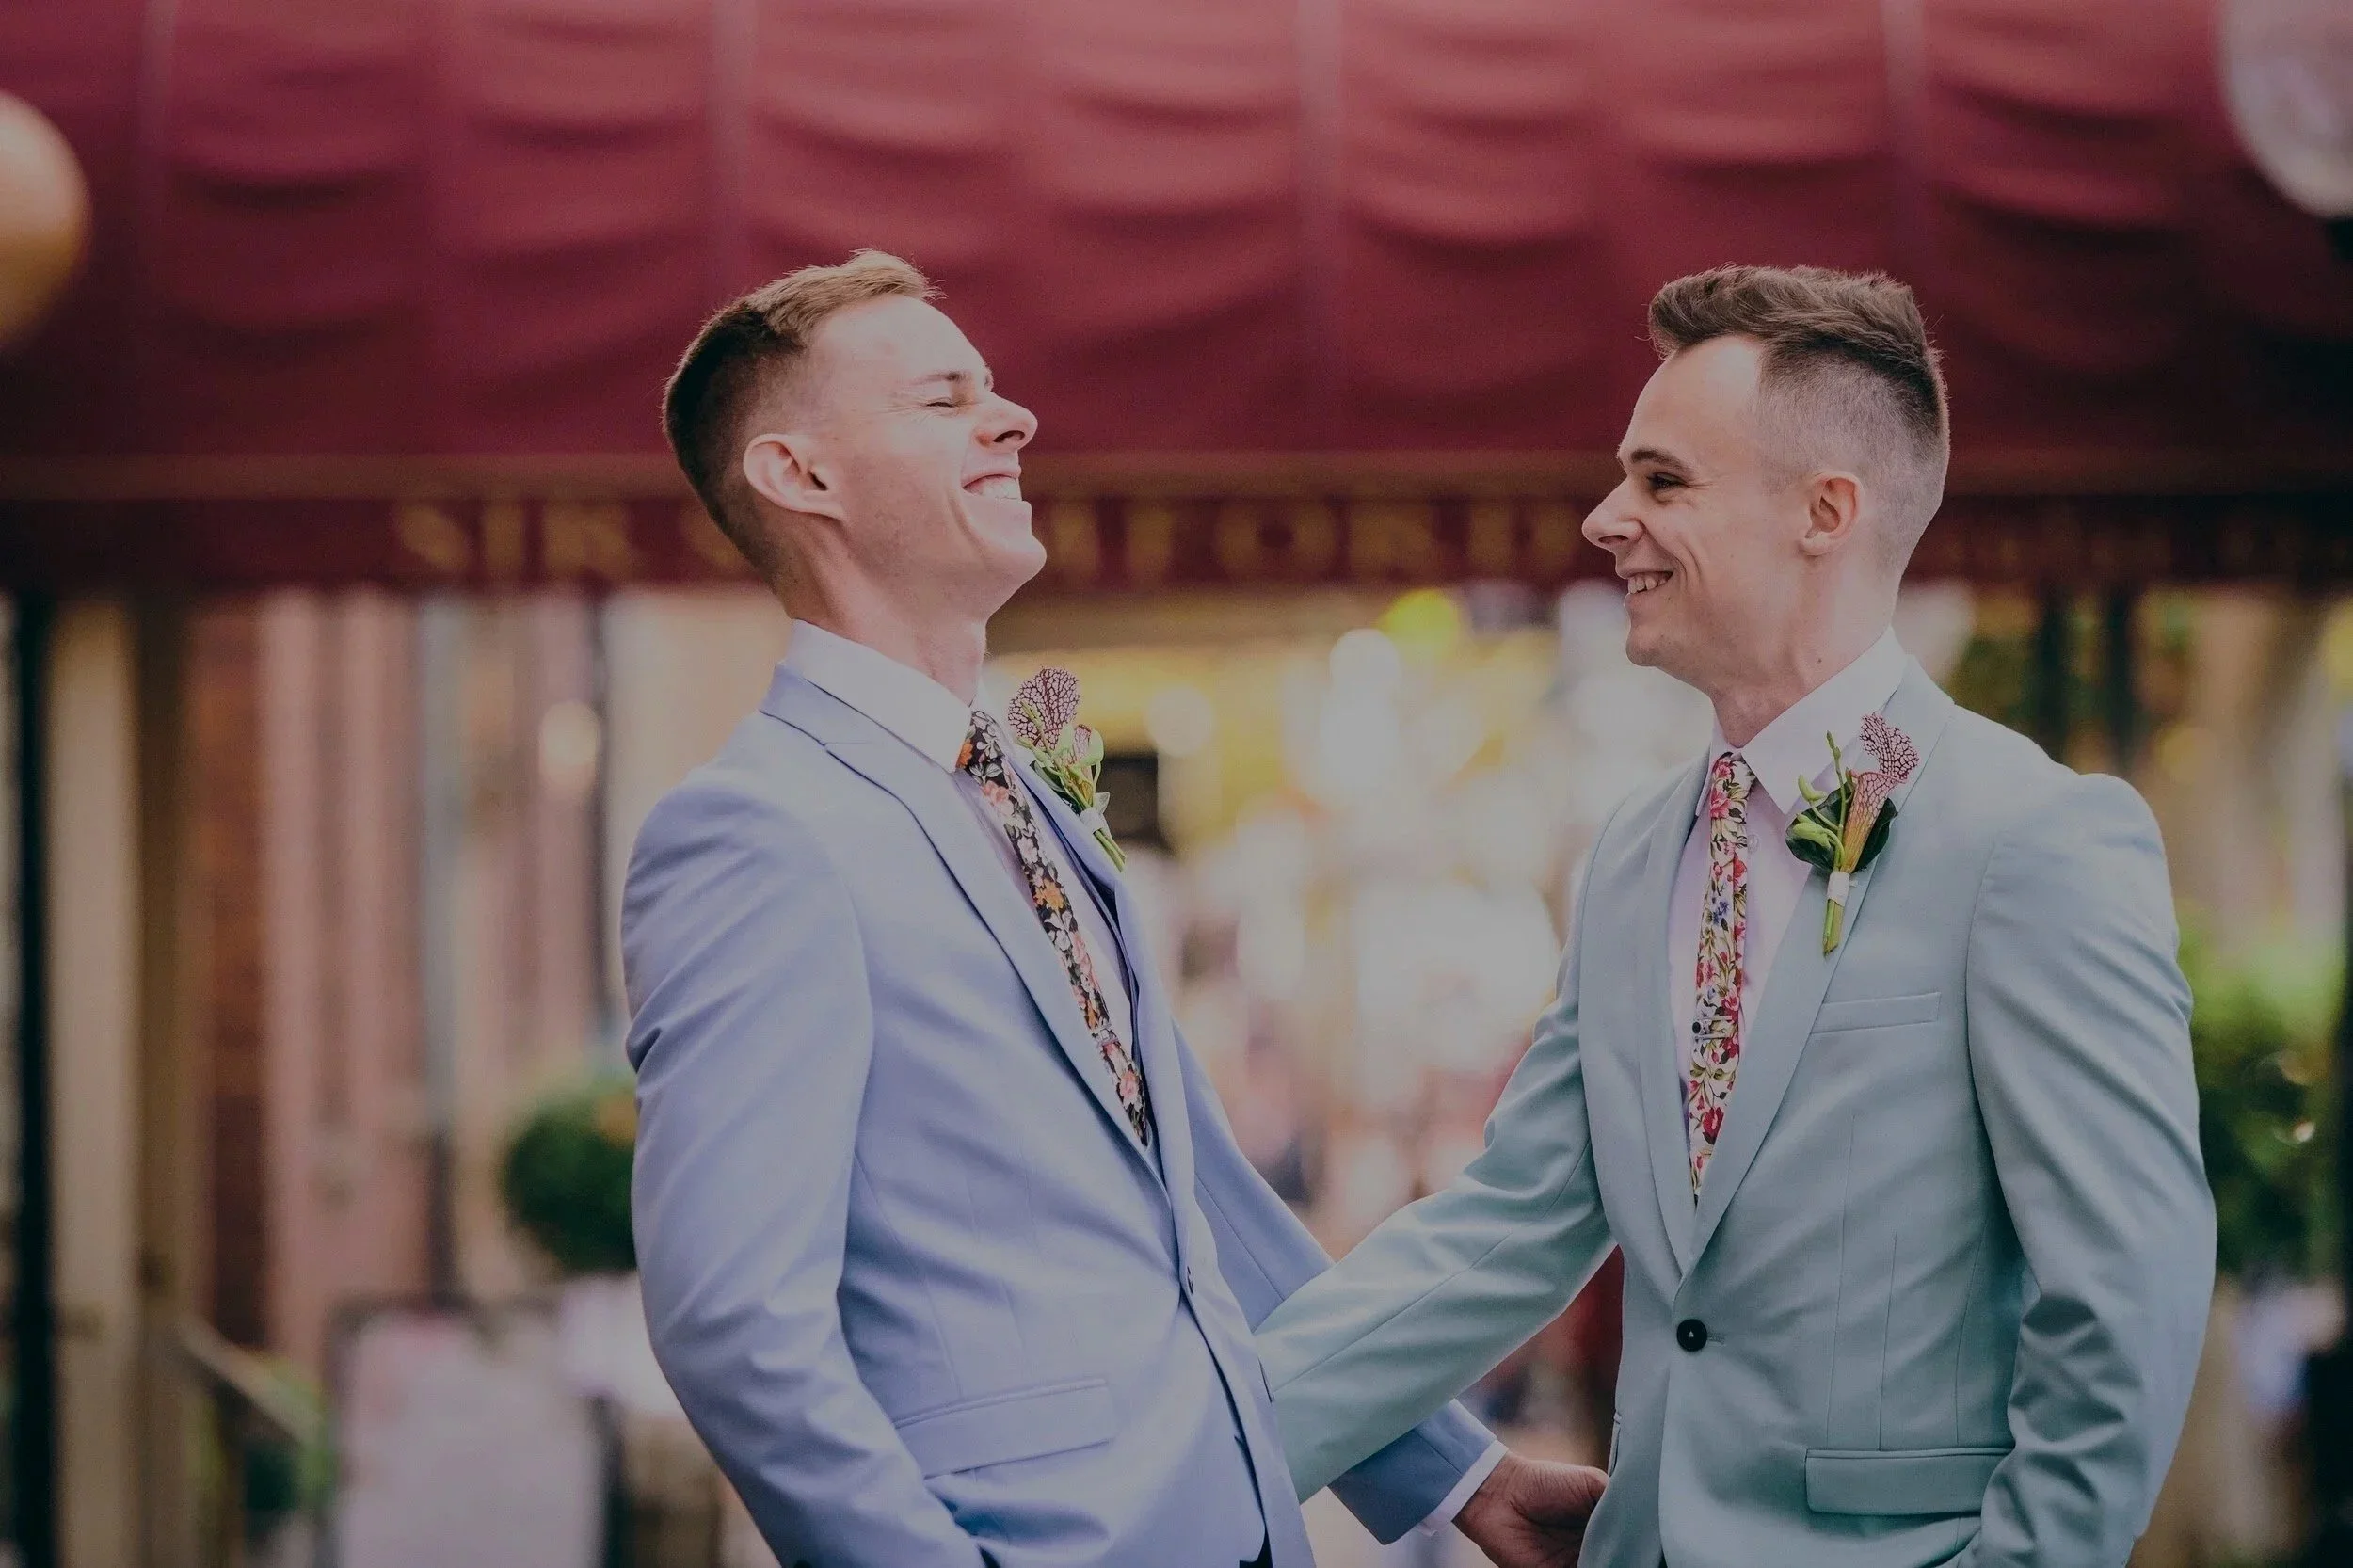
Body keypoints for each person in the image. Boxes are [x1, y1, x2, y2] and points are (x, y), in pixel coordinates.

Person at [620, 250, 1596, 1568]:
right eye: (942, 397)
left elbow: (1210, 1222)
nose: (1011, 416)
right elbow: (735, 1321)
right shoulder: (756, 833)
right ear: (802, 476)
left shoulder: (1035, 800)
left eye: (994, 387)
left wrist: (1454, 1475)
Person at [1256, 264, 2216, 1568]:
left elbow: (2123, 1295)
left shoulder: (2036, 839)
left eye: (1664, 481)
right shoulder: (1637, 856)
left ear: (1825, 511)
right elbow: (1513, 1220)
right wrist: (1214, 1429)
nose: (1607, 518)